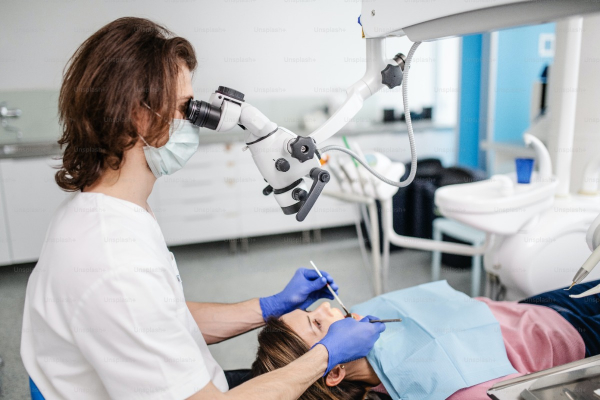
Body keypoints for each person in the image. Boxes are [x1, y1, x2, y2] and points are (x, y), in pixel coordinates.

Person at [20, 17, 386, 400]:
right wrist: (324, 356)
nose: (194, 121)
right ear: (139, 116)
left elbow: (167, 319)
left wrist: (270, 307)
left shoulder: (115, 211)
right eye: (185, 107)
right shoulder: (115, 262)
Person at [251, 279, 600, 400]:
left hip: (533, 307)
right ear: (334, 371)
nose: (327, 306)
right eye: (316, 322)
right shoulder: (446, 389)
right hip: (577, 334)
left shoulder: (364, 317)